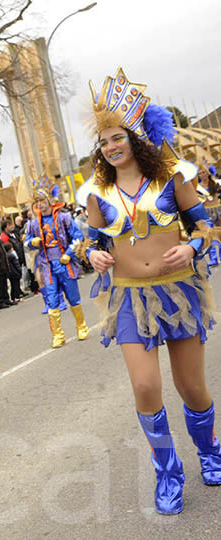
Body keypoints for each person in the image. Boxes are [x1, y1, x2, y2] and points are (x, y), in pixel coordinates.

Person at [81, 68, 221, 514]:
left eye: (117, 137)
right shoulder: (96, 191)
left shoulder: (172, 176)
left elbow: (207, 225)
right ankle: (167, 472)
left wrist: (194, 247)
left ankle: (210, 451)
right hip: (128, 298)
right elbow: (88, 242)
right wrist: (93, 255)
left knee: (192, 387)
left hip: (178, 291)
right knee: (144, 386)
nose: (111, 147)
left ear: (135, 135)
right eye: (103, 142)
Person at [25, 177, 88, 348]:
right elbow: (26, 242)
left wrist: (68, 253)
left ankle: (81, 326)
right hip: (46, 265)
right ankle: (58, 335)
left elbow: (78, 237)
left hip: (64, 263)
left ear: (50, 200)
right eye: (37, 201)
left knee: (73, 297)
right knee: (51, 300)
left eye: (42, 200)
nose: (40, 204)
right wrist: (33, 242)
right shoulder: (32, 223)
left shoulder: (64, 218)